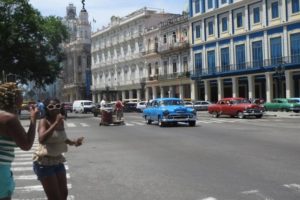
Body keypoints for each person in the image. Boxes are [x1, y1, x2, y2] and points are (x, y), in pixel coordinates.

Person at [33, 98, 84, 200]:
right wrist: (55, 123)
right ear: (46, 109)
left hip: (58, 161)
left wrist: (74, 142)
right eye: (51, 107)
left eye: (57, 106)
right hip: (44, 163)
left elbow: (62, 138)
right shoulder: (44, 121)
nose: (55, 109)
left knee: (63, 194)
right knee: (54, 197)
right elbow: (41, 139)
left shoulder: (60, 121)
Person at [0, 82, 39, 200]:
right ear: (14, 98)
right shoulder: (9, 118)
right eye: (21, 94)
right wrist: (33, 119)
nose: (23, 97)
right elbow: (26, 145)